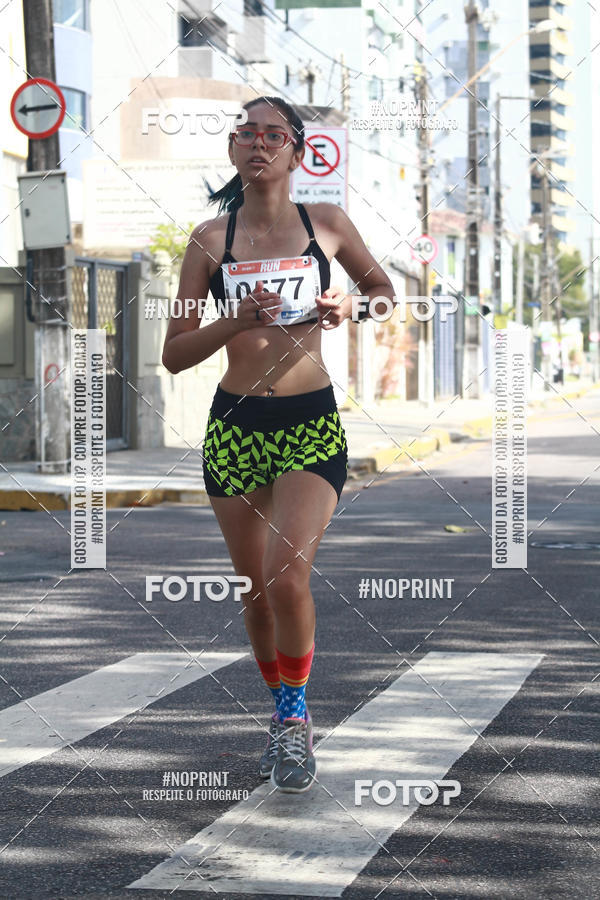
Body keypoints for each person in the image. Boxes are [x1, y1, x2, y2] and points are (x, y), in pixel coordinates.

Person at [162, 95, 394, 793]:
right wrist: (232, 322)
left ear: (297, 151)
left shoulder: (326, 225)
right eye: (246, 134)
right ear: (233, 150)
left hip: (308, 423)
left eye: (273, 134)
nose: (257, 143)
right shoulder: (208, 240)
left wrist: (352, 305)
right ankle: (280, 711)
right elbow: (174, 354)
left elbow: (383, 289)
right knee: (254, 592)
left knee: (286, 577)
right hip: (234, 426)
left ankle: (293, 723)